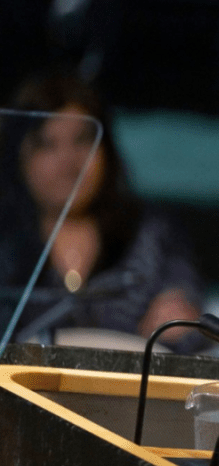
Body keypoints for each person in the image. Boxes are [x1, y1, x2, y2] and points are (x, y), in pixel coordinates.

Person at [0, 71, 204, 351]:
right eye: (47, 144)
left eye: (82, 140)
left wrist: (181, 316)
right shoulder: (6, 246)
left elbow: (188, 310)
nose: (68, 162)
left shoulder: (152, 234)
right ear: (19, 157)